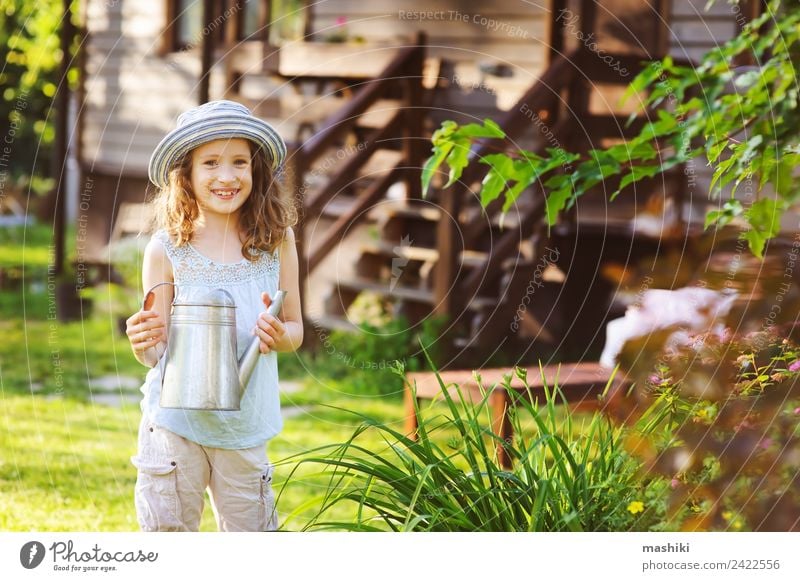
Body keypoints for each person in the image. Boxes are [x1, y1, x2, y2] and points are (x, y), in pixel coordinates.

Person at [124, 100, 303, 532]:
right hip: (173, 428)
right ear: (185, 174)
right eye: (210, 163)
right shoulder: (166, 249)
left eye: (239, 162)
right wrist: (143, 342)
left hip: (243, 428)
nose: (227, 176)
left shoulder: (276, 242)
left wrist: (279, 334)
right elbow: (157, 354)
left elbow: (296, 329)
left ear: (256, 171)